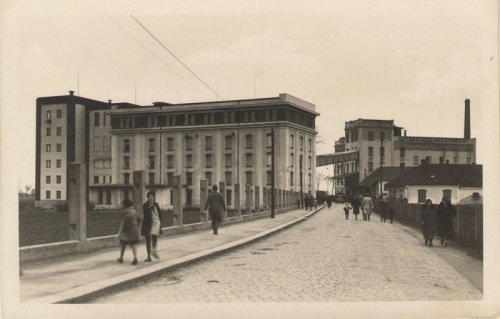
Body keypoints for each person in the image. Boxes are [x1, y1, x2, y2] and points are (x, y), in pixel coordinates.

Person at [117, 199, 141, 265]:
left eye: (122, 204)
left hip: (127, 231)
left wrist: (119, 234)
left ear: (125, 205)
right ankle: (135, 258)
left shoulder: (125, 214)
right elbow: (139, 219)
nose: (121, 205)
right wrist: (137, 226)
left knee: (123, 245)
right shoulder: (134, 211)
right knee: (132, 245)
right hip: (134, 230)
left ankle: (121, 258)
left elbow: (123, 225)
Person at [141, 191, 162, 262]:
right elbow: (146, 215)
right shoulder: (145, 205)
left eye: (152, 196)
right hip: (147, 224)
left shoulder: (156, 204)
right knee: (147, 240)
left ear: (154, 197)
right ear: (147, 198)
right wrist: (150, 207)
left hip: (156, 223)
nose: (150, 197)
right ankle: (148, 256)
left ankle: (154, 250)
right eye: (149, 196)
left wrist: (160, 223)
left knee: (154, 237)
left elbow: (160, 214)